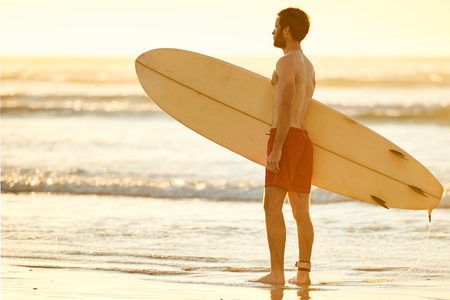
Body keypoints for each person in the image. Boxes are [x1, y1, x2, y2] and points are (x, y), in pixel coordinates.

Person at [252, 7, 316, 285]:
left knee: (271, 206)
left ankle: (277, 273)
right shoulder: (308, 65)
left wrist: (277, 148)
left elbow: (287, 102)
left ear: (287, 31)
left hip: (286, 136)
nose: (273, 31)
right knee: (301, 210)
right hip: (303, 139)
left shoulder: (286, 63)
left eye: (277, 26)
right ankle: (303, 275)